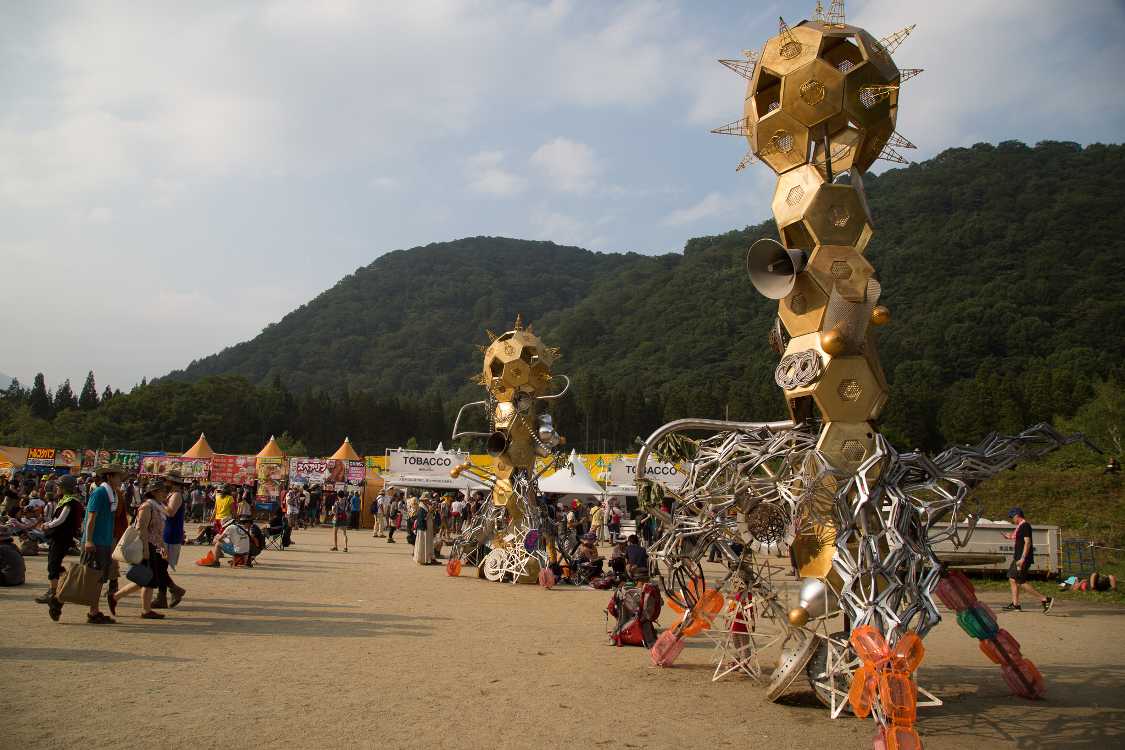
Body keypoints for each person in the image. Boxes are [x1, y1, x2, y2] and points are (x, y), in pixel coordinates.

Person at [60, 463, 127, 624]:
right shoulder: (100, 492)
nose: (120, 479)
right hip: (95, 541)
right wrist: (89, 540)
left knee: (98, 578)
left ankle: (94, 611)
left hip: (103, 541)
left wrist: (111, 541)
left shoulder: (113, 494)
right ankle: (57, 599)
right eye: (118, 476)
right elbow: (91, 518)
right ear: (109, 476)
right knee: (86, 577)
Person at [109, 481, 170, 619]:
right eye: (162, 491)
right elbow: (142, 528)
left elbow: (157, 532)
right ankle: (141, 608)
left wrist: (162, 547)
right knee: (146, 578)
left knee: (147, 579)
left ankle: (120, 599)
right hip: (146, 546)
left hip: (154, 546)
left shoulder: (158, 507)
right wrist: (146, 550)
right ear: (154, 492)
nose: (165, 494)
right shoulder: (147, 506)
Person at [36, 474, 84, 605]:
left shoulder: (70, 502)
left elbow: (61, 519)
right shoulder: (66, 500)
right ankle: (65, 581)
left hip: (62, 538)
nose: (56, 488)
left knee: (53, 564)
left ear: (64, 488)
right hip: (60, 537)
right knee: (54, 563)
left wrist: (47, 525)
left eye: (58, 486)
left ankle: (53, 592)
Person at [1002, 507, 1053, 613]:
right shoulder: (1020, 527)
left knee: (1021, 581)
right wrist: (1010, 537)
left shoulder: (1025, 526)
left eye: (1012, 517)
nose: (1012, 520)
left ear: (1017, 515)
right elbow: (1019, 538)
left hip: (1022, 559)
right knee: (1012, 579)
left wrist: (1023, 558)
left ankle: (1045, 599)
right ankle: (1015, 605)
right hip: (1018, 558)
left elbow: (1027, 542)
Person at [154, 472, 188, 609]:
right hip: (166, 531)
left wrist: (157, 503)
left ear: (172, 482)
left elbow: (171, 512)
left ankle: (174, 590)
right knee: (160, 566)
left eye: (165, 481)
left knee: (159, 565)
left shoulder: (176, 495)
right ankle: (162, 596)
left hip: (170, 533)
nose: (163, 483)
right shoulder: (171, 494)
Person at [412, 494, 436, 565]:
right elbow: (424, 518)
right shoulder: (421, 508)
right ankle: (423, 559)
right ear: (423, 501)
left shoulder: (425, 507)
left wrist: (431, 511)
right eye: (426, 500)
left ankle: (429, 558)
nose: (428, 501)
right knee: (423, 543)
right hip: (423, 529)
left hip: (427, 528)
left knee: (428, 544)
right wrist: (430, 511)